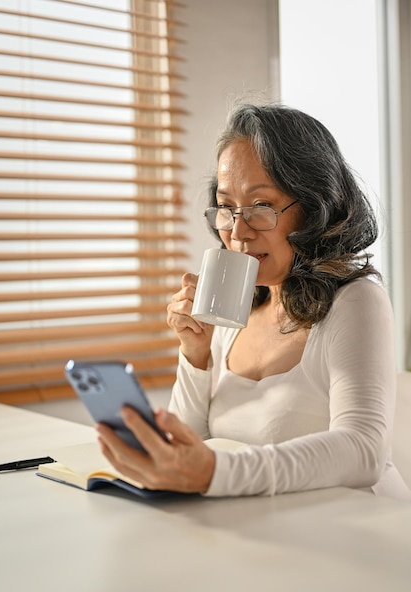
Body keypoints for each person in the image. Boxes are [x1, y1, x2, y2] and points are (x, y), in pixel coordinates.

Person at [97, 102, 411, 501]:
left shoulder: (356, 301)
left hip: (360, 536)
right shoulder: (236, 309)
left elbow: (363, 451)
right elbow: (187, 452)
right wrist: (196, 356)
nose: (238, 232)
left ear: (314, 207)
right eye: (227, 208)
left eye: (261, 206)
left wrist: (218, 472)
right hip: (269, 535)